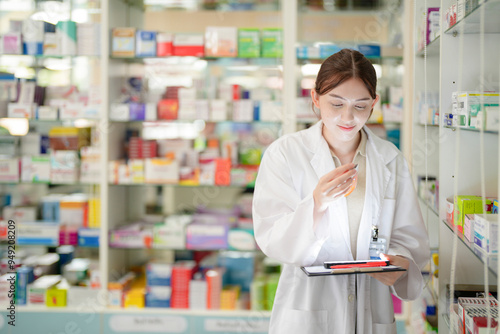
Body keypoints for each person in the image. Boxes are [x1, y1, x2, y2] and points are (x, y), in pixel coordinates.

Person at [252, 49, 430, 334]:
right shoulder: (285, 154)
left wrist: (397, 262)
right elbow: (271, 236)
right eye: (336, 104)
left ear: (374, 103)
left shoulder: (390, 158)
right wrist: (316, 203)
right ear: (315, 98)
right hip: (308, 307)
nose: (348, 117)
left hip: (372, 308)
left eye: (360, 106)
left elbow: (408, 236)